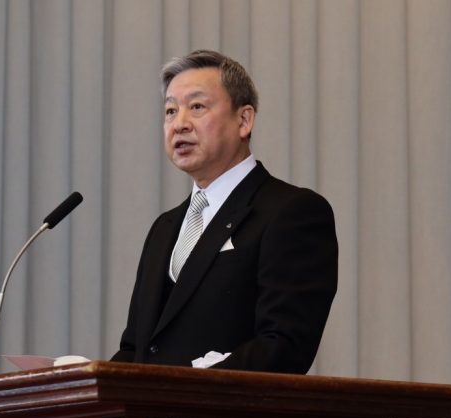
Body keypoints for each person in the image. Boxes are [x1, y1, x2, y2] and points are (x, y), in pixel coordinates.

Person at [111, 50, 338, 374]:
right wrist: (78, 378)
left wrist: (189, 387)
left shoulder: (292, 212)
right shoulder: (164, 227)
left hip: (229, 407)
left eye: (197, 107)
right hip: (155, 410)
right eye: (171, 111)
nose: (179, 124)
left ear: (244, 120)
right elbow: (135, 350)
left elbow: (283, 347)